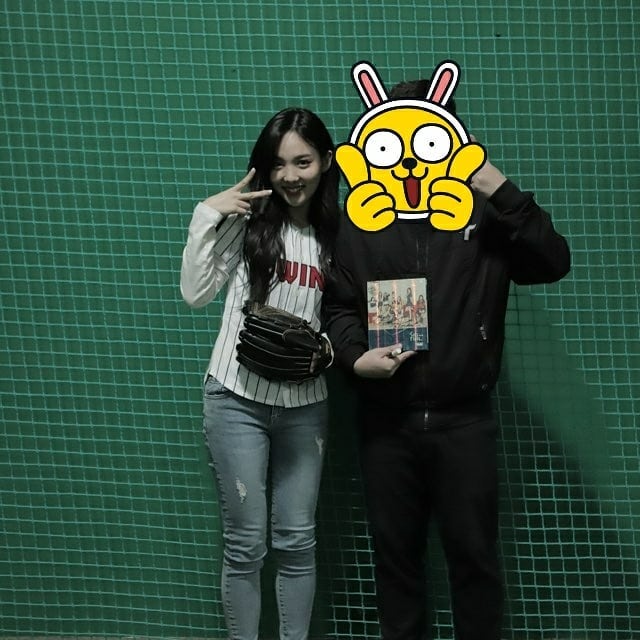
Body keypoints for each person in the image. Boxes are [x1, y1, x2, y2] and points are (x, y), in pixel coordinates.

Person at [323, 78, 571, 640]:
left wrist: (499, 188)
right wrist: (356, 358)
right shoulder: (357, 222)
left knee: (475, 565)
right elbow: (335, 305)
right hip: (385, 426)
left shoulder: (486, 215)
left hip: (465, 423)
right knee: (396, 568)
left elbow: (553, 260)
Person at [180, 107, 340, 640]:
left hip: (304, 407)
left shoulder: (338, 235)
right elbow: (195, 293)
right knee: (246, 545)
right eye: (278, 164)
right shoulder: (250, 223)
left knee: (296, 541)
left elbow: (345, 317)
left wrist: (330, 350)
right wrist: (207, 213)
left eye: (303, 162)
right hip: (236, 402)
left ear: (325, 162)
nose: (290, 176)